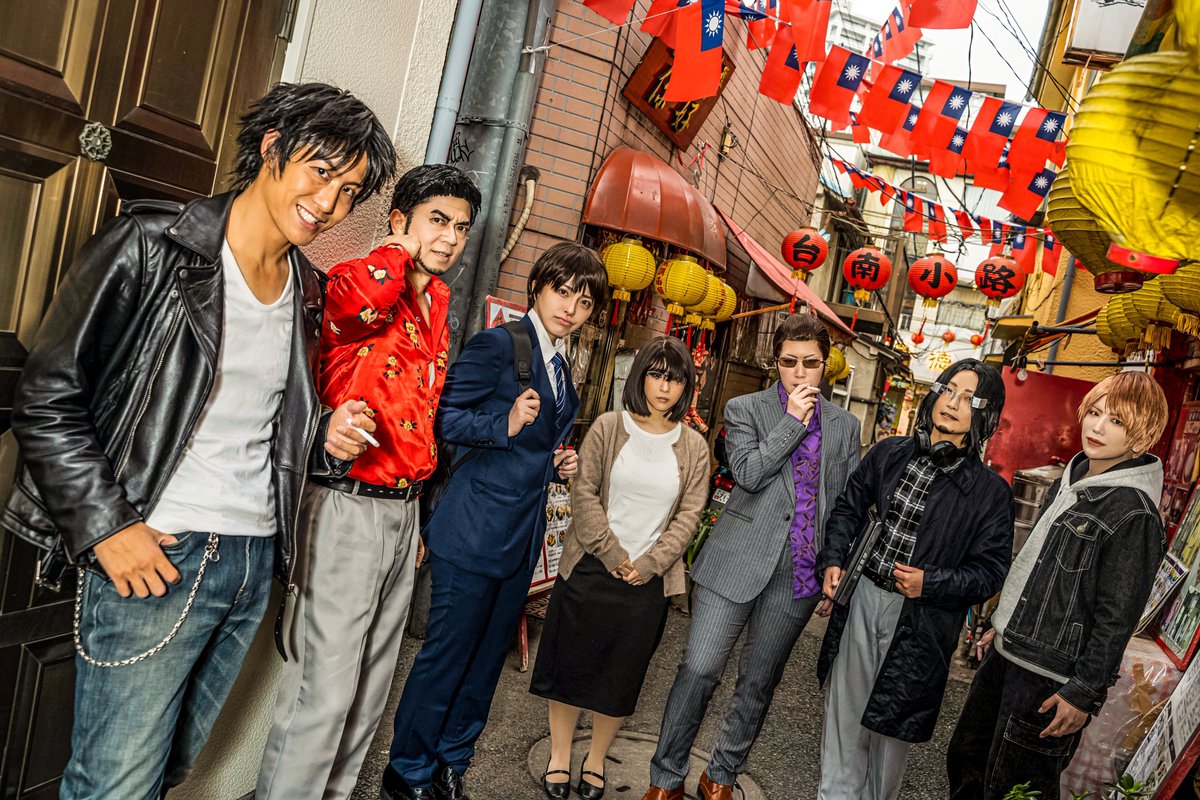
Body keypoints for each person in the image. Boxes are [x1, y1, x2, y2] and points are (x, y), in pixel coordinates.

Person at [3, 82, 395, 800]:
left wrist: (321, 435)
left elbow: (254, 423)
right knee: (114, 786)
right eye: (321, 172)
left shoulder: (307, 289)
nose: (330, 203)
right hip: (163, 550)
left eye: (349, 191)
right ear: (272, 149)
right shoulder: (150, 245)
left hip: (251, 560)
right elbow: (46, 396)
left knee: (166, 773)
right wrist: (105, 526)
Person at [256, 165, 481, 800]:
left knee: (367, 694)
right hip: (344, 505)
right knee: (322, 694)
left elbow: (422, 417)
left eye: (462, 227)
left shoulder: (438, 303)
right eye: (437, 220)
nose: (450, 238)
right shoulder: (360, 278)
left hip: (402, 513)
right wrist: (397, 253)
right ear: (399, 220)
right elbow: (352, 306)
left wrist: (416, 517)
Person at [381, 242, 609, 800]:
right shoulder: (498, 345)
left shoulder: (560, 366)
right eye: (562, 292)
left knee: (485, 664)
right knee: (446, 658)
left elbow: (533, 445)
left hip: (520, 539)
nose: (571, 308)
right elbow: (443, 418)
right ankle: (407, 771)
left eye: (584, 302)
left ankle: (451, 763)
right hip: (472, 530)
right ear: (537, 288)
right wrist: (502, 423)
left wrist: (557, 462)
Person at [643, 313, 862, 800]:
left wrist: (836, 567)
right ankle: (665, 777)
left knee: (758, 682)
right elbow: (748, 473)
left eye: (810, 363)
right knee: (699, 669)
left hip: (799, 574)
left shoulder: (846, 426)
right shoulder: (745, 408)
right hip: (736, 560)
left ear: (826, 365)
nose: (799, 372)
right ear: (775, 363)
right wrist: (792, 422)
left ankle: (721, 773)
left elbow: (844, 505)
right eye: (789, 362)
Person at [946, 371, 1169, 799]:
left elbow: (1117, 618)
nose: (1098, 427)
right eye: (1096, 412)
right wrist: (1002, 623)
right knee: (967, 763)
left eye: (1117, 421)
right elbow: (1033, 566)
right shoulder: (1072, 480)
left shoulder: (1133, 512)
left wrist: (1083, 693)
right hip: (1010, 653)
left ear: (1143, 435)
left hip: (1048, 677)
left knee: (1014, 788)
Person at [814, 358, 1013, 800]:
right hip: (863, 598)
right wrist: (834, 560)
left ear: (986, 416)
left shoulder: (991, 493)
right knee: (843, 722)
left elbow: (989, 572)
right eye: (949, 390)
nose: (953, 403)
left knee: (888, 736)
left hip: (921, 622)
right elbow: (847, 509)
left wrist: (931, 582)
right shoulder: (889, 453)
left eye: (969, 398)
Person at [532, 336, 711, 800]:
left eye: (675, 379)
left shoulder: (694, 446)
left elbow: (689, 516)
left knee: (619, 676)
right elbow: (584, 493)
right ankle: (559, 754)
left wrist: (649, 564)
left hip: (646, 583)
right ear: (639, 377)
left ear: (686, 387)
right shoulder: (609, 426)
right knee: (569, 666)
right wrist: (613, 554)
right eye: (656, 374)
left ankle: (595, 760)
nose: (664, 387)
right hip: (591, 567)